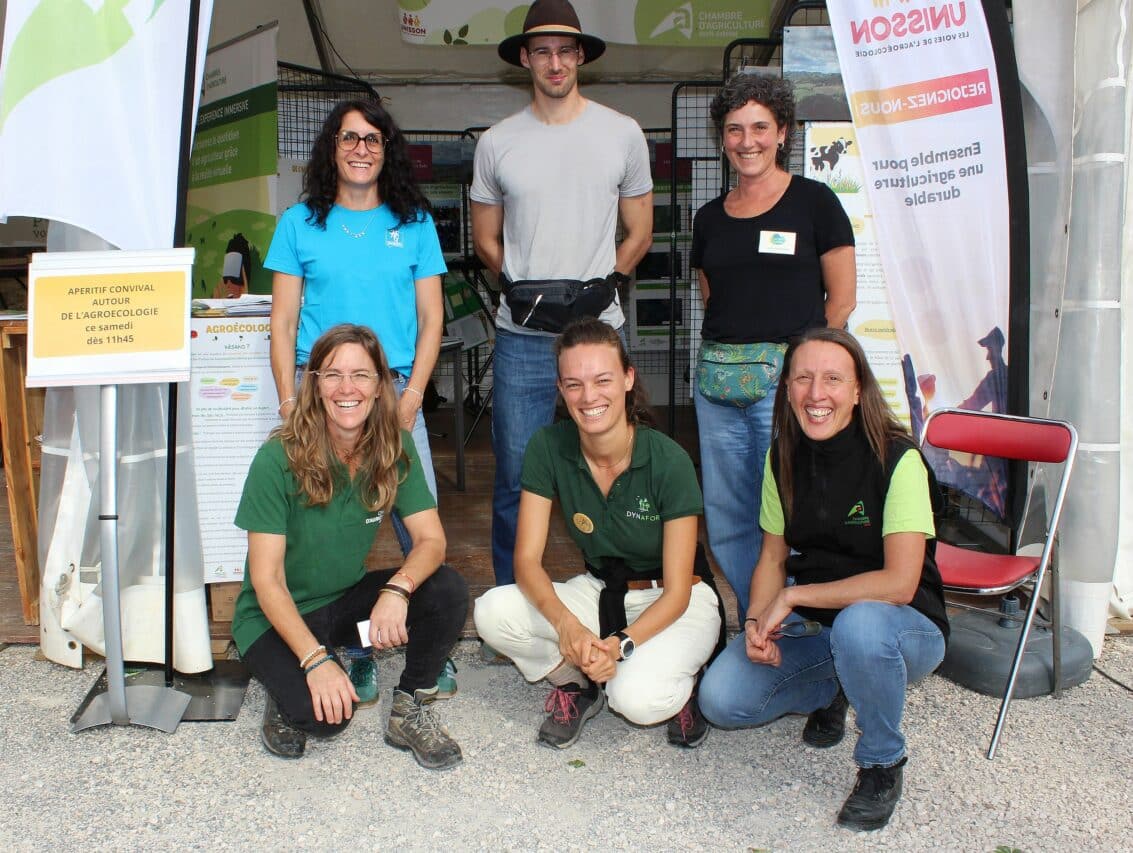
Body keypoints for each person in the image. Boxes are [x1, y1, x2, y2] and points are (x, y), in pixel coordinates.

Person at [698, 327, 948, 832]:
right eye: (803, 379)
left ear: (858, 391)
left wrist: (793, 595)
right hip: (823, 628)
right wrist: (755, 622)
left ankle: (881, 763)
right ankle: (837, 685)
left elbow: (900, 583)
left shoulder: (898, 460)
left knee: (860, 628)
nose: (816, 394)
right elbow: (771, 557)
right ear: (786, 388)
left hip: (904, 627)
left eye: (833, 379)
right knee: (721, 700)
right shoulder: (781, 456)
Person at [265, 99, 457, 695]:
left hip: (394, 392)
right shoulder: (299, 223)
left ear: (386, 149)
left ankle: (429, 640)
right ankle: (329, 639)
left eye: (373, 139)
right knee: (319, 520)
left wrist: (414, 397)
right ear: (331, 148)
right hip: (320, 394)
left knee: (413, 525)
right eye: (349, 138)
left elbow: (431, 320)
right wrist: (289, 403)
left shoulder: (414, 222)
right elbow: (282, 323)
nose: (360, 148)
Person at [471, 0, 654, 587]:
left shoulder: (621, 133)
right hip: (523, 335)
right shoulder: (497, 142)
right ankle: (510, 600)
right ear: (525, 58)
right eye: (542, 50)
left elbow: (641, 230)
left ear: (580, 57)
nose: (555, 62)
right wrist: (525, 292)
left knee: (613, 463)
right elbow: (484, 239)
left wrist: (607, 282)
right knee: (517, 474)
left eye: (565, 50)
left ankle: (621, 589)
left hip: (599, 331)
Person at [474, 318, 723, 749]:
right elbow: (526, 562)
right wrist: (568, 627)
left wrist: (620, 646)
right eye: (574, 384)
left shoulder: (669, 460)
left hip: (673, 599)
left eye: (602, 379)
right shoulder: (548, 447)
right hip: (600, 590)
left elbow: (679, 592)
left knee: (636, 700)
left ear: (628, 378)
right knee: (491, 611)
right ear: (560, 388)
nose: (588, 397)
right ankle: (578, 684)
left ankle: (687, 680)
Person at [231, 324, 468, 769]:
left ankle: (409, 707)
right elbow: (266, 581)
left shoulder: (393, 448)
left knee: (446, 590)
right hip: (270, 617)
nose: (347, 388)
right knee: (323, 720)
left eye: (361, 375)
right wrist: (315, 660)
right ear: (314, 384)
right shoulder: (277, 458)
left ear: (380, 385)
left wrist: (397, 591)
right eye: (332, 374)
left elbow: (431, 540)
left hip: (340, 607)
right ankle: (286, 681)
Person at [691, 74, 856, 620]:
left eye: (760, 127)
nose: (747, 140)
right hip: (717, 386)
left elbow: (842, 299)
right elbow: (711, 294)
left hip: (786, 389)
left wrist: (807, 376)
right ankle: (759, 618)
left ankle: (805, 616)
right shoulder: (709, 218)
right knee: (728, 514)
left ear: (782, 132)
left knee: (791, 509)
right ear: (722, 138)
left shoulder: (815, 202)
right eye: (734, 129)